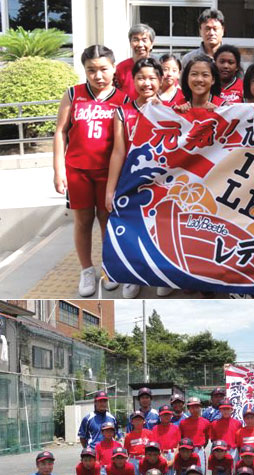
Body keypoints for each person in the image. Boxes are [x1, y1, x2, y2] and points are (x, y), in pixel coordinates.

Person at [53, 46, 128, 297]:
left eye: (103, 69)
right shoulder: (73, 95)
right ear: (84, 70)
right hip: (78, 171)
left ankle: (109, 268)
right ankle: (86, 269)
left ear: (114, 68)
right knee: (83, 221)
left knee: (108, 221)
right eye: (91, 70)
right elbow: (61, 131)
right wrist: (58, 170)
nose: (98, 76)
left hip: (109, 173)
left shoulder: (123, 99)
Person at [106, 58, 171, 299]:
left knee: (160, 229)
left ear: (161, 80)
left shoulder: (172, 110)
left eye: (152, 78)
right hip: (131, 182)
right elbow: (118, 152)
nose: (147, 83)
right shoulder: (123, 112)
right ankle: (132, 276)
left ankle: (163, 276)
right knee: (133, 229)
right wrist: (110, 190)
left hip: (162, 181)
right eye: (141, 78)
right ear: (133, 81)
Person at [115, 24, 155, 99]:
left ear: (152, 44)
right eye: (135, 40)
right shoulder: (121, 68)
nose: (140, 44)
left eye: (144, 40)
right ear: (130, 43)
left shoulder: (159, 67)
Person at [179, 397, 210, 475]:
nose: (195, 409)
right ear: (188, 408)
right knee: (186, 473)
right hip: (186, 450)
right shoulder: (183, 422)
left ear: (200, 408)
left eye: (197, 407)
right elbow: (181, 437)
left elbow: (206, 438)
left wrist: (200, 447)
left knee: (200, 472)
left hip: (199, 449)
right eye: (192, 407)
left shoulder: (206, 422)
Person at [124, 410, 151, 475]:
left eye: (140, 420)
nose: (138, 422)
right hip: (133, 459)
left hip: (145, 459)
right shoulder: (128, 436)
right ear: (132, 422)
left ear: (144, 421)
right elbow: (127, 450)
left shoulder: (149, 433)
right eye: (136, 420)